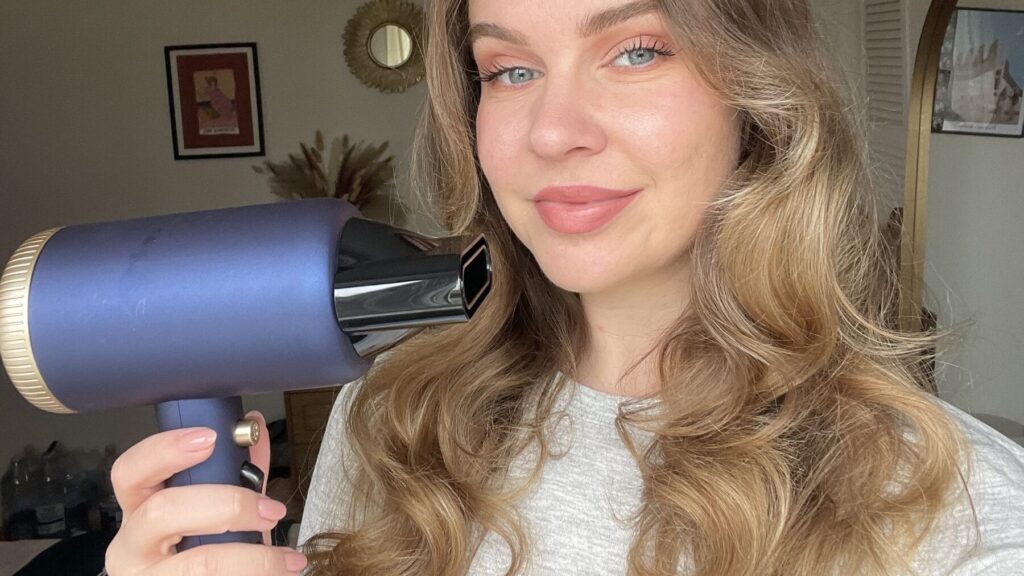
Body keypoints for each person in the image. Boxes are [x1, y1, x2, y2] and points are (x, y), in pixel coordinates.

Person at [104, 0, 1024, 575]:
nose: (552, 132)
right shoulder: (393, 417)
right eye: (509, 70)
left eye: (636, 51)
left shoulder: (953, 508)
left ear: (757, 93)